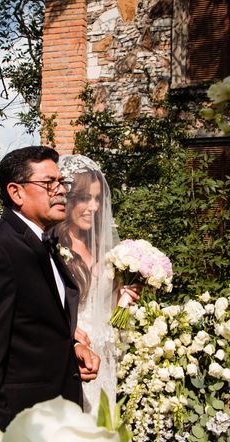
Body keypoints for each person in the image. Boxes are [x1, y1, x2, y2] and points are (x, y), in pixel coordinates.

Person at [0, 146, 101, 435]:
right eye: (49, 183)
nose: (61, 191)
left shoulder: (43, 243)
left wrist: (71, 350)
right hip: (15, 430)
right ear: (16, 192)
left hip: (52, 424)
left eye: (62, 183)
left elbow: (31, 329)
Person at [53, 155, 140, 414]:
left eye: (97, 198)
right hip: (72, 359)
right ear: (67, 200)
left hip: (106, 357)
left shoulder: (104, 249)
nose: (93, 206)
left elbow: (108, 312)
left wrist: (124, 297)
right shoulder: (54, 248)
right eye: (83, 198)